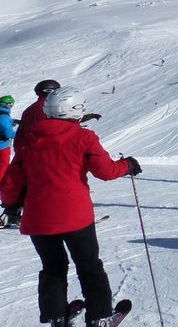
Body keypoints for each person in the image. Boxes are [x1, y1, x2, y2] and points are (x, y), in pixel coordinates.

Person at [0, 87, 141, 326]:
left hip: (39, 219)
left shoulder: (31, 139)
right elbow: (105, 171)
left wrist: (11, 205)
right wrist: (127, 166)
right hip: (75, 217)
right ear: (76, 110)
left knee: (53, 267)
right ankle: (99, 316)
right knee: (89, 265)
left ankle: (56, 316)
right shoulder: (83, 137)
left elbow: (11, 181)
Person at [4, 80, 61, 227]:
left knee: (29, 183)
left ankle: (15, 213)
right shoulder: (50, 109)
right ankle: (51, 213)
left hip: (28, 153)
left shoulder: (30, 110)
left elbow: (21, 134)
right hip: (45, 154)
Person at [0, 96, 14, 183]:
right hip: (2, 145)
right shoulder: (4, 117)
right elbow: (8, 133)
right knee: (4, 165)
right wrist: (21, 133)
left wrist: (12, 121)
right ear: (4, 104)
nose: (11, 106)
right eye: (10, 104)